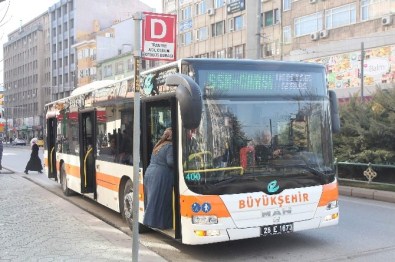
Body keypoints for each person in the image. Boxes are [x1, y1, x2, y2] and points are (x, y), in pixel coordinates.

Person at [143, 127, 174, 229]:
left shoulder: (158, 145)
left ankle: (151, 222)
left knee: (153, 200)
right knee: (162, 201)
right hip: (160, 175)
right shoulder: (169, 146)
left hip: (150, 173)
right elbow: (170, 162)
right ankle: (162, 224)